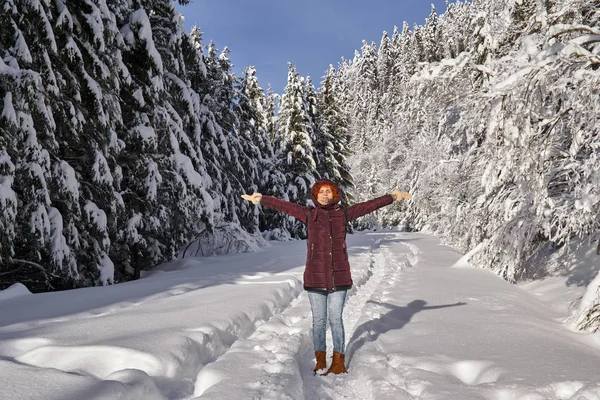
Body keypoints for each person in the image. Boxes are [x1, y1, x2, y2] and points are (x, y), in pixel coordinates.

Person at [241, 179, 411, 375]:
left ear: (334, 195)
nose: (325, 194)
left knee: (336, 319)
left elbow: (368, 205)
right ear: (315, 194)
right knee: (319, 321)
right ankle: (320, 360)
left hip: (339, 276)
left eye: (328, 192)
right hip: (315, 276)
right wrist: (262, 199)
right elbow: (284, 206)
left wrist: (392, 197)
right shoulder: (309, 214)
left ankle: (338, 361)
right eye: (321, 191)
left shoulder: (343, 213)